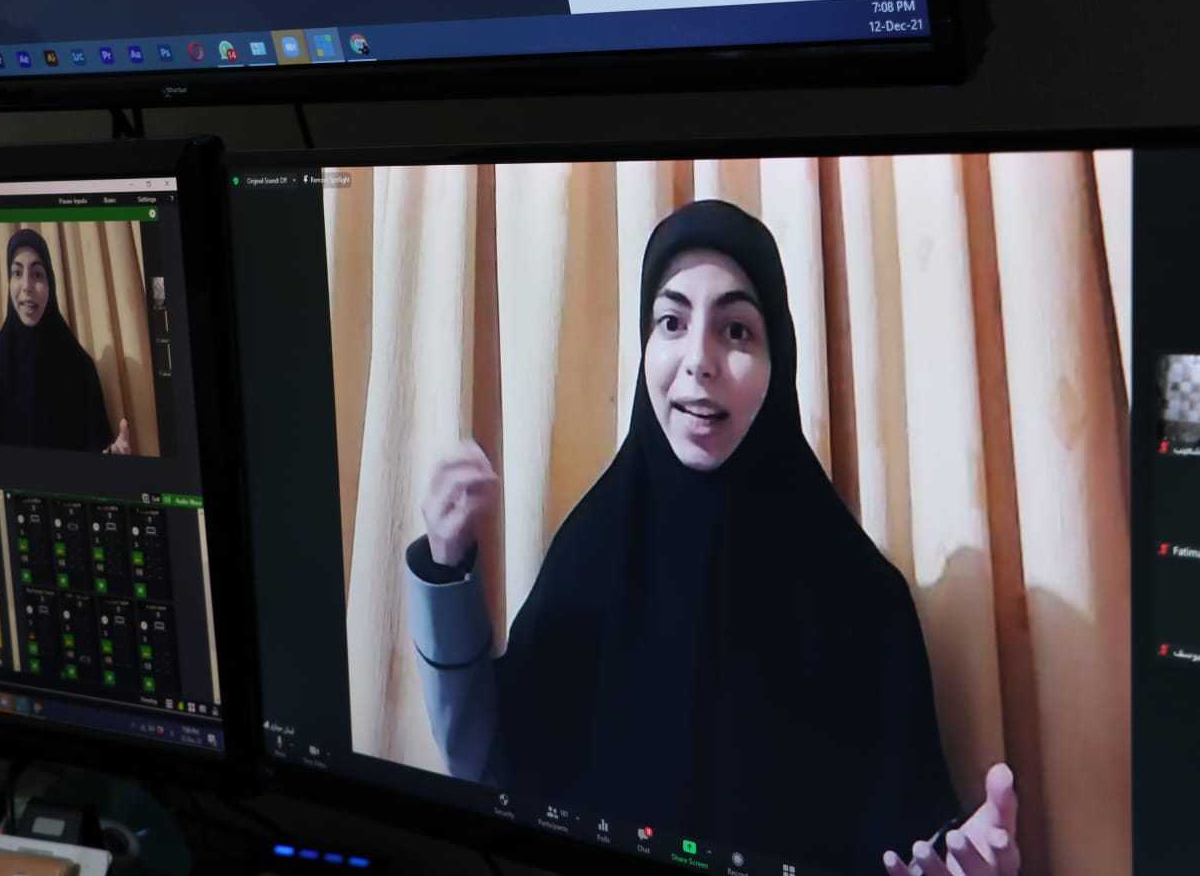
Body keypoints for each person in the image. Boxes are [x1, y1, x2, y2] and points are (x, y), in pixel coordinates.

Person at [405, 202, 1022, 876]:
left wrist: (965, 865)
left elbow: (906, 843)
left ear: (777, 362)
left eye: (735, 330)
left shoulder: (862, 600)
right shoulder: (594, 554)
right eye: (670, 322)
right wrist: (447, 570)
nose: (698, 360)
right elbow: (493, 770)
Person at [0, 229, 130, 453]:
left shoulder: (78, 366)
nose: (26, 285)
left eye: (37, 274)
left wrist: (113, 456)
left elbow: (95, 454)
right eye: (17, 273)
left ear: (50, 286)